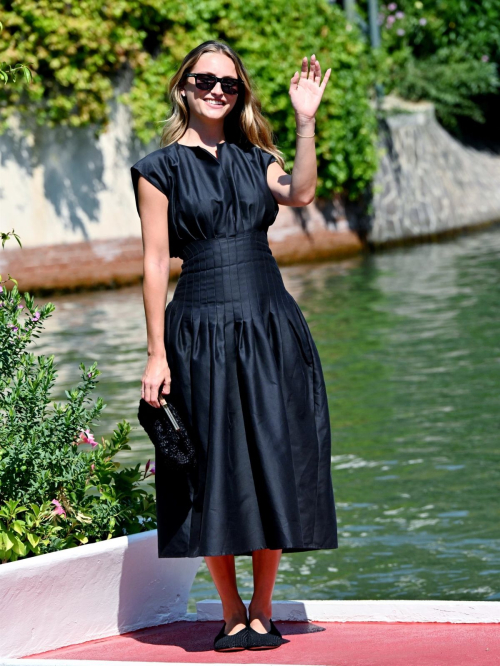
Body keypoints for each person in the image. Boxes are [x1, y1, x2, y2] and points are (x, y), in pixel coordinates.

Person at [130, 40, 338, 652]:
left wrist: (306, 122)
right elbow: (151, 264)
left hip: (268, 324)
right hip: (195, 329)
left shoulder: (258, 158)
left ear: (240, 91)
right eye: (205, 79)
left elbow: (300, 194)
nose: (218, 89)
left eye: (229, 82)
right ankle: (229, 611)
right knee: (211, 468)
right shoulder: (157, 168)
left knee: (273, 457)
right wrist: (154, 353)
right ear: (184, 86)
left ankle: (263, 607)